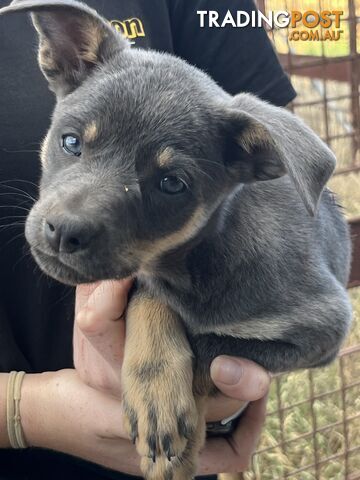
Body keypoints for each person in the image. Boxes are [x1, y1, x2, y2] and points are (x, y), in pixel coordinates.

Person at [0, 0, 295, 478]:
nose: (71, 220)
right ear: (65, 56)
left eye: (170, 183)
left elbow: (269, 211)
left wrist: (163, 311)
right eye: (72, 144)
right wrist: (29, 412)